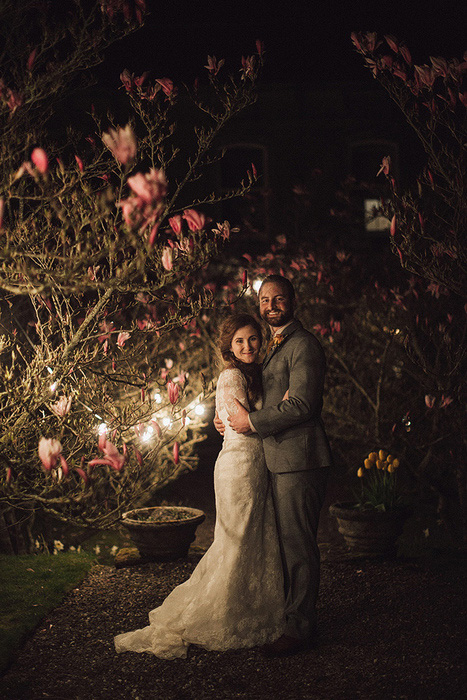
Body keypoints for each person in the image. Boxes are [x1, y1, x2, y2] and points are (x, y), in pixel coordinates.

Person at [114, 313, 285, 660]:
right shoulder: (231, 376)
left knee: (251, 541)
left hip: (254, 464)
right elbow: (242, 423)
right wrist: (253, 418)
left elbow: (238, 418)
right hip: (240, 467)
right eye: (239, 341)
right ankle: (224, 615)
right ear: (229, 347)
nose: (248, 346)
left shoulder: (256, 374)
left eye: (253, 339)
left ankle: (251, 608)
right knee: (235, 542)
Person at [219, 274, 332, 657]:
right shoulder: (273, 347)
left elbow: (302, 405)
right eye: (265, 300)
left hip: (299, 460)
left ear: (292, 300)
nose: (271, 305)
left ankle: (300, 628)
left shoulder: (304, 346)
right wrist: (227, 417)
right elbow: (265, 400)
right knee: (283, 545)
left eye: (278, 298)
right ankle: (286, 616)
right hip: (276, 459)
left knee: (298, 545)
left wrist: (252, 421)